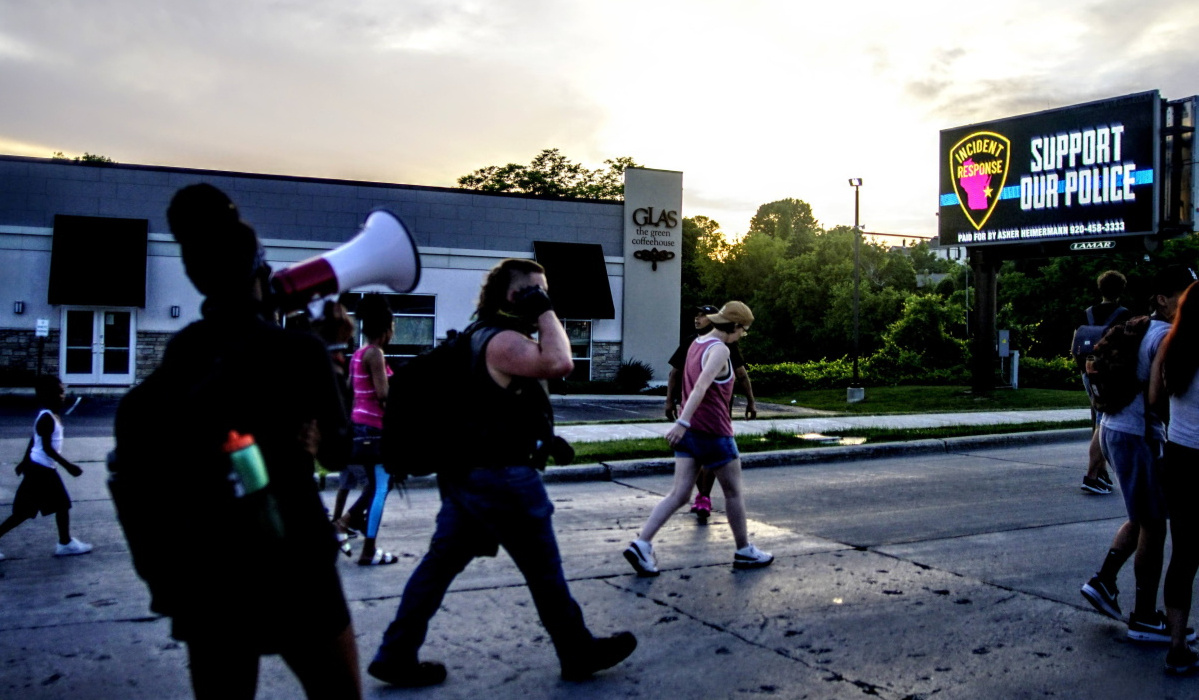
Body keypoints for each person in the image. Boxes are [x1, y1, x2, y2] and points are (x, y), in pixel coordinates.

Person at [112, 183, 361, 699]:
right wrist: (334, 353)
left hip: (206, 579)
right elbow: (338, 453)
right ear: (262, 274)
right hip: (296, 570)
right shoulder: (299, 353)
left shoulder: (172, 367)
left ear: (195, 276)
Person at [368, 258, 636, 688]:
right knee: (544, 570)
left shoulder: (478, 335)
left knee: (438, 568)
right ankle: (577, 650)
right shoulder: (500, 341)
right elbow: (560, 363)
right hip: (502, 480)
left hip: (468, 476)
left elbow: (491, 410)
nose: (543, 297)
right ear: (514, 296)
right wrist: (547, 312)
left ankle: (396, 652)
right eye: (536, 290)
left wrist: (543, 438)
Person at [1080, 265, 1198, 645]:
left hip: (1116, 428)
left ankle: (1104, 580)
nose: (1188, 300)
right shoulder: (1165, 336)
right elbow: (1156, 397)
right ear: (1163, 299)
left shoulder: (1143, 325)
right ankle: (1144, 615)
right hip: (1137, 434)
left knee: (1145, 515)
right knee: (1154, 523)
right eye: (1184, 293)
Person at [625, 301, 774, 576]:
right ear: (735, 326)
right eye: (744, 330)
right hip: (714, 432)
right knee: (733, 493)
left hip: (691, 433)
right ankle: (744, 551)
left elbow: (684, 381)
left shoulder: (696, 344)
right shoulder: (719, 350)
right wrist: (681, 422)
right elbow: (702, 386)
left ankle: (642, 543)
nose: (743, 335)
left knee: (679, 494)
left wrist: (684, 422)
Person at [665, 305, 758, 522]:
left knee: (698, 470)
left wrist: (751, 402)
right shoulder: (695, 342)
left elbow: (742, 375)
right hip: (699, 415)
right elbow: (678, 375)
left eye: (703, 316)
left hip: (715, 413)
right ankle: (742, 547)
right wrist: (672, 404)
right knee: (730, 488)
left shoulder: (725, 343)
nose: (698, 319)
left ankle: (703, 496)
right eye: (696, 315)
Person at [1149, 279, 1199, 673]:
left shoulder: (1173, 348)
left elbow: (1156, 399)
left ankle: (1177, 645)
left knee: (1183, 556)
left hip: (1179, 458)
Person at [338, 293, 400, 566]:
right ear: (386, 328)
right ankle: (366, 548)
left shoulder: (358, 354)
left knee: (374, 486)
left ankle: (345, 524)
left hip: (359, 426)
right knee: (381, 488)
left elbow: (352, 389)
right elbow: (384, 395)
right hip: (375, 429)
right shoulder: (375, 354)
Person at [0, 375, 92, 560]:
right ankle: (65, 544)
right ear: (46, 395)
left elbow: (35, 441)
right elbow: (47, 447)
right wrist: (69, 466)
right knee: (27, 512)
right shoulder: (47, 418)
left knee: (56, 506)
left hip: (40, 468)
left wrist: (24, 461)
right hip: (41, 471)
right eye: (59, 392)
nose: (62, 395)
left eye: (63, 391)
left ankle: (65, 543)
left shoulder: (51, 415)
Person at [1079, 270, 1131, 495]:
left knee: (1098, 417)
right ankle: (1091, 475)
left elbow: (1077, 342)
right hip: (1110, 373)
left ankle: (1101, 473)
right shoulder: (1124, 314)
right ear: (1121, 290)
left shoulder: (1088, 313)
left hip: (1088, 371)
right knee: (1103, 421)